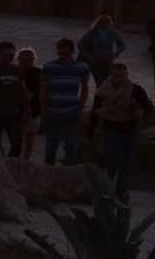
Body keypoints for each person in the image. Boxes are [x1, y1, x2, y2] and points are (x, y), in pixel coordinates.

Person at [90, 62, 155, 197]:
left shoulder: (135, 90)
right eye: (116, 76)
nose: (119, 79)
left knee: (125, 163)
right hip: (111, 129)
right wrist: (94, 127)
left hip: (129, 129)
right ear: (111, 76)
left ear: (126, 76)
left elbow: (148, 108)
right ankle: (114, 191)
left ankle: (120, 190)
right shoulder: (102, 91)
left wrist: (139, 112)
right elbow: (95, 112)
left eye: (122, 76)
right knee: (113, 162)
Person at [41, 38, 91, 166]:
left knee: (71, 146)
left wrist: (80, 106)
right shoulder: (49, 67)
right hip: (52, 111)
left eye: (65, 52)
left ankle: (68, 175)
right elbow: (43, 89)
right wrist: (44, 109)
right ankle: (48, 173)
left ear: (72, 51)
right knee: (51, 146)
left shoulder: (82, 67)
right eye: (60, 52)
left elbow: (85, 87)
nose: (62, 55)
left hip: (71, 112)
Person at [78, 15, 126, 86]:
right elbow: (80, 45)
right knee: (99, 82)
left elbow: (122, 45)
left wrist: (115, 54)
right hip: (95, 61)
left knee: (107, 82)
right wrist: (88, 55)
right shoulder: (92, 33)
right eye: (104, 23)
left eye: (108, 23)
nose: (106, 25)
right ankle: (99, 96)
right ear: (99, 23)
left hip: (108, 61)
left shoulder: (112, 33)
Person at [17, 47, 43, 160]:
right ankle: (20, 158)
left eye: (30, 59)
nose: (28, 61)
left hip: (33, 109)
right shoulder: (15, 71)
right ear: (19, 59)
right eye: (25, 59)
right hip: (18, 108)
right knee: (20, 136)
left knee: (29, 135)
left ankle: (25, 159)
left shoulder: (38, 73)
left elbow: (38, 92)